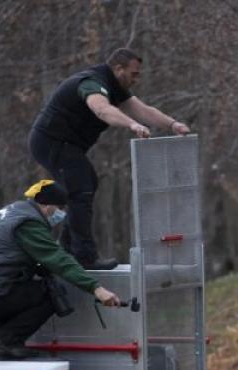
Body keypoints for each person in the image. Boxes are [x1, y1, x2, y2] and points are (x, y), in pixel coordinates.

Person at [29, 47, 190, 270]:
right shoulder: (91, 83)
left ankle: (66, 249)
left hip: (66, 145)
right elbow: (102, 110)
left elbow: (143, 110)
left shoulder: (115, 87)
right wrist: (131, 124)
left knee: (85, 185)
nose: (136, 79)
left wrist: (173, 124)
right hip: (50, 142)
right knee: (82, 187)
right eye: (133, 74)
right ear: (118, 69)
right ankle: (84, 257)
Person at [0, 180, 121, 359]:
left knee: (7, 354)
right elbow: (58, 259)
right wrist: (96, 288)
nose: (61, 213)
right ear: (46, 205)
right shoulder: (29, 223)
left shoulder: (11, 211)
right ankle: (6, 341)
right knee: (52, 294)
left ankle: (7, 343)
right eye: (60, 207)